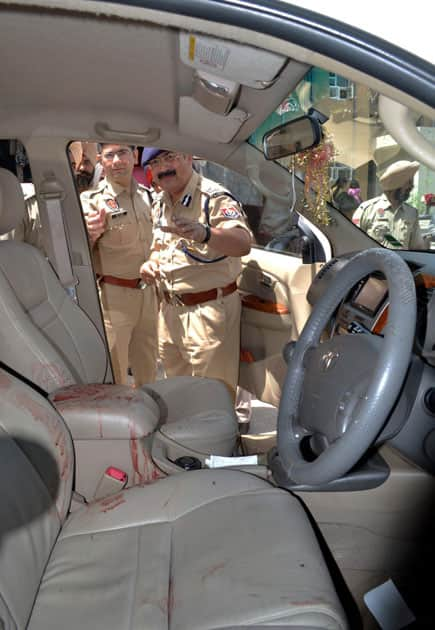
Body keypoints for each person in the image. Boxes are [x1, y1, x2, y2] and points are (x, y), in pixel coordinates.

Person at [139, 148, 252, 397]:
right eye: (156, 163)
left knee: (213, 396)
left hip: (207, 312)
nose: (163, 167)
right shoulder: (160, 201)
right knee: (178, 394)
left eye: (170, 158)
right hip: (169, 312)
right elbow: (161, 247)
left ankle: (220, 437)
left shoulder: (212, 197)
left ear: (189, 157)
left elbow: (243, 243)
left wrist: (206, 234)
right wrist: (151, 263)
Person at [80, 143, 158, 387]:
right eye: (109, 155)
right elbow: (77, 257)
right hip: (114, 301)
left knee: (150, 372)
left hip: (149, 298)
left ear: (134, 156)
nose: (117, 161)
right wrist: (89, 236)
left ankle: (152, 420)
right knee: (115, 376)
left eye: (122, 153)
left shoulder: (149, 197)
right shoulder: (90, 201)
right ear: (101, 161)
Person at [352, 160, 426, 249]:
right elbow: (353, 242)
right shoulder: (367, 209)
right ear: (396, 183)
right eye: (409, 182)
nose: (412, 186)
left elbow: (417, 247)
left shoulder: (412, 213)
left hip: (400, 262)